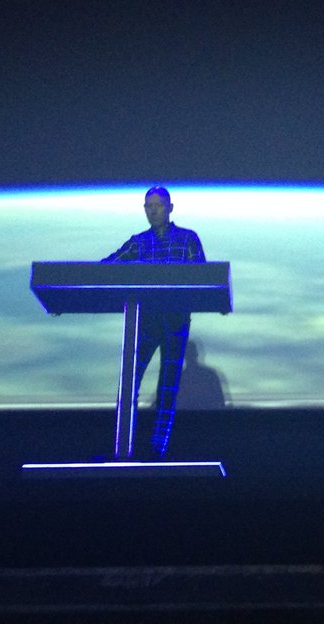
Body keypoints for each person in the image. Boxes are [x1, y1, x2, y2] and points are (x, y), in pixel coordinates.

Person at [101, 186, 204, 458]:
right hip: (144, 322)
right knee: (129, 384)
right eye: (148, 206)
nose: (152, 210)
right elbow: (104, 269)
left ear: (170, 208)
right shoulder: (138, 242)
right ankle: (123, 448)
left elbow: (202, 278)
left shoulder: (188, 239)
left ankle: (158, 451)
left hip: (175, 321)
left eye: (157, 205)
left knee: (167, 389)